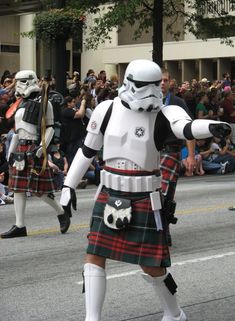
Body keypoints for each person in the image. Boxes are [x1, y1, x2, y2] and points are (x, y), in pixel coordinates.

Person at [60, 59, 231, 321]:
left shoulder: (165, 113)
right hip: (109, 191)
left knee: (152, 266)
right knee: (94, 255)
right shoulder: (105, 109)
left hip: (144, 195)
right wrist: (68, 185)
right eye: (145, 85)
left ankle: (174, 313)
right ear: (128, 82)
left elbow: (185, 127)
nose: (153, 91)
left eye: (156, 85)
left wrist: (209, 126)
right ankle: (91, 318)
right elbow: (87, 150)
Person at [0, 70, 71, 239]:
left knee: (39, 190)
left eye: (21, 81)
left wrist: (41, 149)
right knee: (17, 189)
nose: (18, 85)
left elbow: (51, 128)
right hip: (20, 149)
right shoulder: (19, 104)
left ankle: (62, 213)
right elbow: (17, 132)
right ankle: (19, 225)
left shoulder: (44, 102)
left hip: (35, 148)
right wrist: (11, 151)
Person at [160, 69, 196, 245]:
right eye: (159, 80)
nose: (162, 83)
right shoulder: (145, 103)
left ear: (170, 82)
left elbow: (189, 130)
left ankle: (164, 229)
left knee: (166, 194)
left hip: (171, 151)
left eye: (165, 80)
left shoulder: (178, 102)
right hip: (149, 152)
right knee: (146, 193)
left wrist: (190, 156)